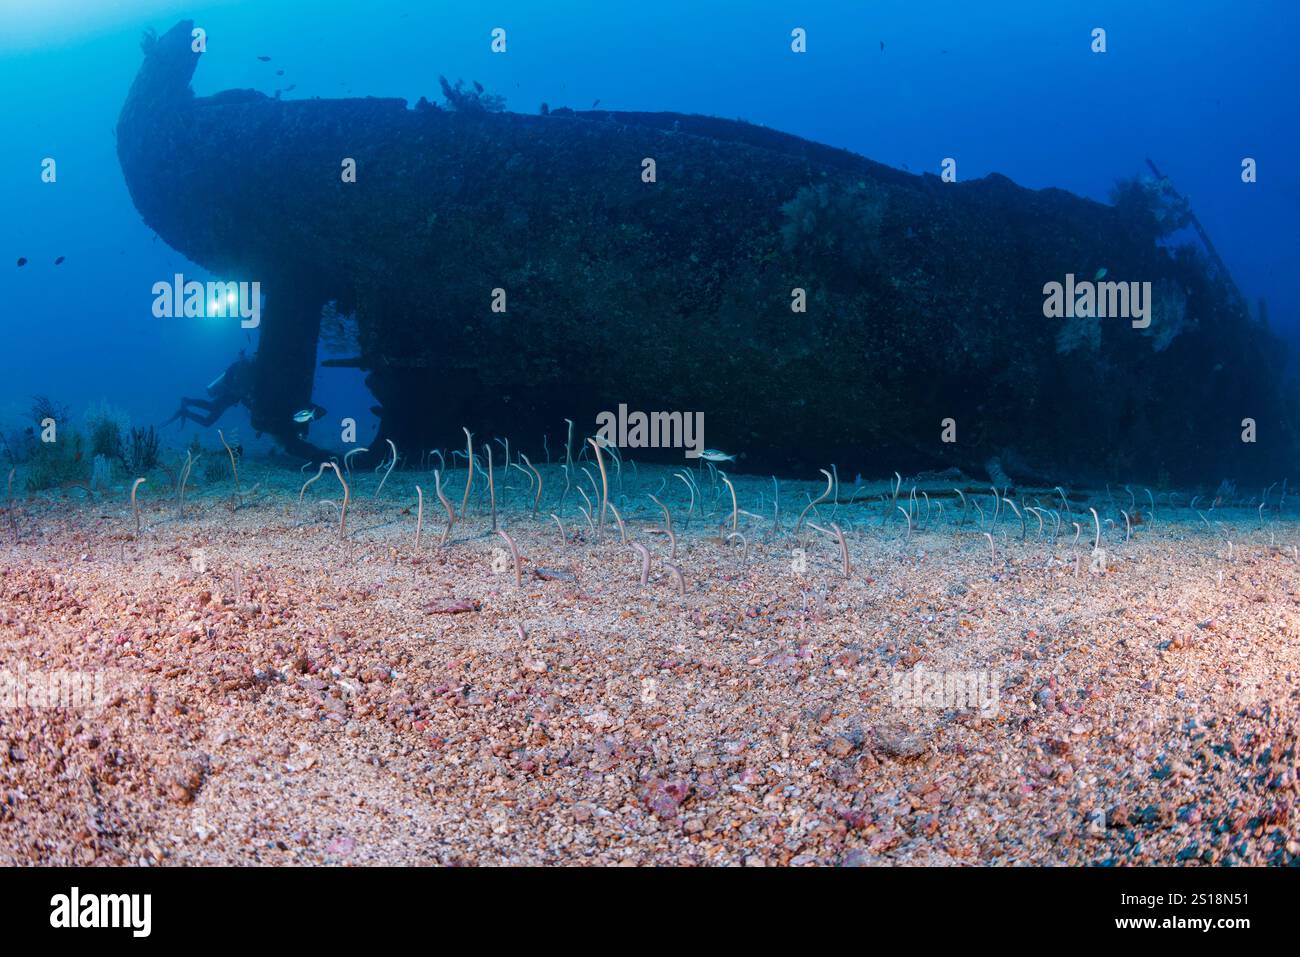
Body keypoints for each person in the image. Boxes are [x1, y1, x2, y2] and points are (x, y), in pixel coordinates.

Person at [164, 350, 255, 429]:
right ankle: (187, 402)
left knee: (208, 419)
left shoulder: (244, 369)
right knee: (210, 410)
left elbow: (244, 394)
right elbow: (238, 389)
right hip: (228, 396)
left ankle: (186, 409)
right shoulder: (246, 371)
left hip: (230, 398)